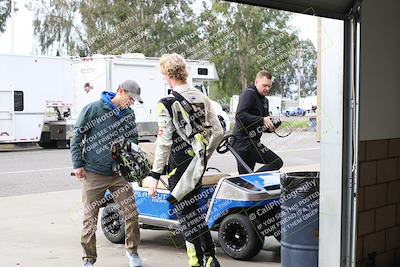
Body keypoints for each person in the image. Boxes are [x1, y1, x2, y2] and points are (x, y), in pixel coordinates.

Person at [145, 53, 224, 267]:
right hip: (196, 165)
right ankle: (209, 257)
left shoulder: (166, 103)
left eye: (163, 74)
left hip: (178, 166)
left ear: (168, 74)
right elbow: (218, 131)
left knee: (185, 213)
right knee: (193, 210)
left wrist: (154, 174)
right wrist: (203, 156)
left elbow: (164, 142)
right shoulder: (202, 97)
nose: (163, 78)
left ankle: (197, 261)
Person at [70, 80, 143, 267]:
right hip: (94, 173)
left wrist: (131, 151)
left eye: (134, 101)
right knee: (89, 219)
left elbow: (133, 138)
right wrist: (77, 164)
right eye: (130, 98)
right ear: (120, 91)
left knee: (131, 214)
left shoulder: (129, 114)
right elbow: (77, 136)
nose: (131, 103)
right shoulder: (93, 109)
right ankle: (88, 259)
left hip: (119, 174)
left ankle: (132, 252)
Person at [233, 70, 283, 174]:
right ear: (256, 82)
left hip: (253, 142)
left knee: (246, 181)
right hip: (243, 142)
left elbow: (261, 124)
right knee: (276, 162)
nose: (267, 88)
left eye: (269, 86)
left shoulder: (265, 101)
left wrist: (270, 127)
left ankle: (251, 182)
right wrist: (262, 120)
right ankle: (253, 179)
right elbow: (240, 115)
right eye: (264, 85)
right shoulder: (249, 93)